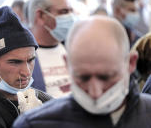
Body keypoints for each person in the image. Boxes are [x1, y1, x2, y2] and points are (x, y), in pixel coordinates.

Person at [13, 16, 151, 128]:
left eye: (106, 77)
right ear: (67, 65)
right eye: (83, 77)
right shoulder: (35, 124)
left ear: (131, 63)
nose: (95, 92)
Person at [28, 0, 77, 98]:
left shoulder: (74, 49)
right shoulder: (21, 58)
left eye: (71, 11)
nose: (71, 17)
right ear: (41, 16)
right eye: (64, 12)